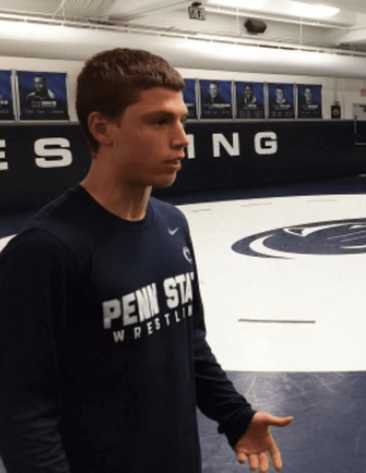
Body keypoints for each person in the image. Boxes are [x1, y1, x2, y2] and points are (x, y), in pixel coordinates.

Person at [0, 48, 292, 473]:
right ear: (102, 128)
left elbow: (188, 340)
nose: (181, 138)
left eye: (182, 120)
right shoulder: (44, 250)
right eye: (159, 121)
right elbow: (23, 414)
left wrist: (235, 415)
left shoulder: (173, 224)